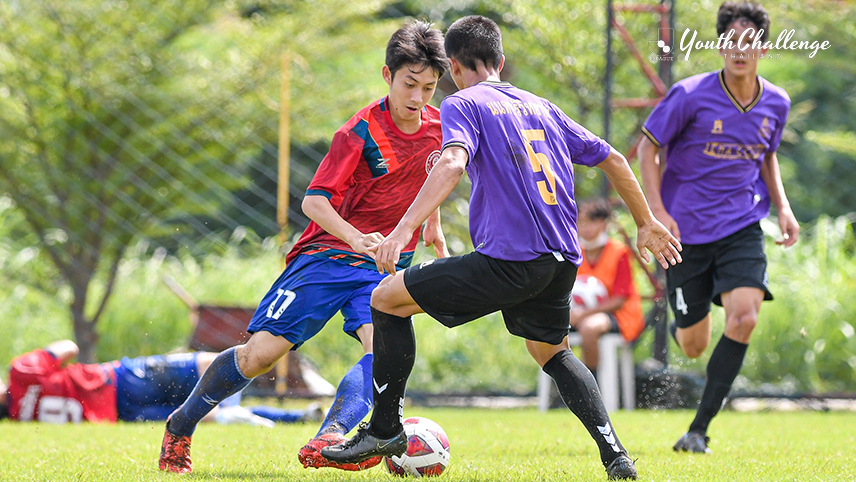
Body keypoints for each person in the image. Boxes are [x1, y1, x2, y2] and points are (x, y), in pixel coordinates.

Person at [319, 15, 682, 481]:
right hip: (561, 261)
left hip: (511, 259)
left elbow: (452, 161)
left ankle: (385, 428)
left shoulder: (464, 104)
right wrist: (645, 221)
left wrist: (403, 228)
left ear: (451, 66)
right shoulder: (541, 106)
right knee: (552, 351)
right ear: (501, 61)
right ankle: (616, 457)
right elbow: (612, 158)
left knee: (385, 300)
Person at [157, 20, 450, 474]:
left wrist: (431, 225)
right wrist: (355, 237)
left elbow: (432, 175)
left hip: (383, 266)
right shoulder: (359, 133)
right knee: (259, 357)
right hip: (327, 258)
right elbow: (313, 201)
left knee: (384, 352)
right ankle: (180, 424)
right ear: (387, 76)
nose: (418, 98)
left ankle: (330, 437)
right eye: (410, 84)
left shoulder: (438, 128)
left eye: (429, 88)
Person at [638, 2, 799, 455]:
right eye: (731, 41)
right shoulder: (689, 94)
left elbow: (767, 155)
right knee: (692, 345)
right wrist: (655, 211)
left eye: (749, 42)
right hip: (684, 233)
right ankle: (685, 319)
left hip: (743, 223)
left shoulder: (777, 102)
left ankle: (698, 430)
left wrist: (783, 208)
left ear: (762, 48)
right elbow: (645, 149)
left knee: (746, 317)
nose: (739, 50)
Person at [0, 340, 321, 426]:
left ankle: (295, 417)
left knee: (206, 415)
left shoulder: (18, 417)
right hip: (121, 380)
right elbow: (68, 346)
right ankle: (291, 414)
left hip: (117, 415)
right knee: (210, 366)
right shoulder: (20, 373)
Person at [572, 199, 644, 377]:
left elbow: (620, 300)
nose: (586, 227)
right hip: (579, 313)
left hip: (616, 316)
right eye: (581, 222)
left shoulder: (620, 252)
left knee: (589, 328)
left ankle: (590, 384)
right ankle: (559, 387)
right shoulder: (574, 252)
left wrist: (584, 314)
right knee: (548, 327)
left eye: (592, 222)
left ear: (605, 224)